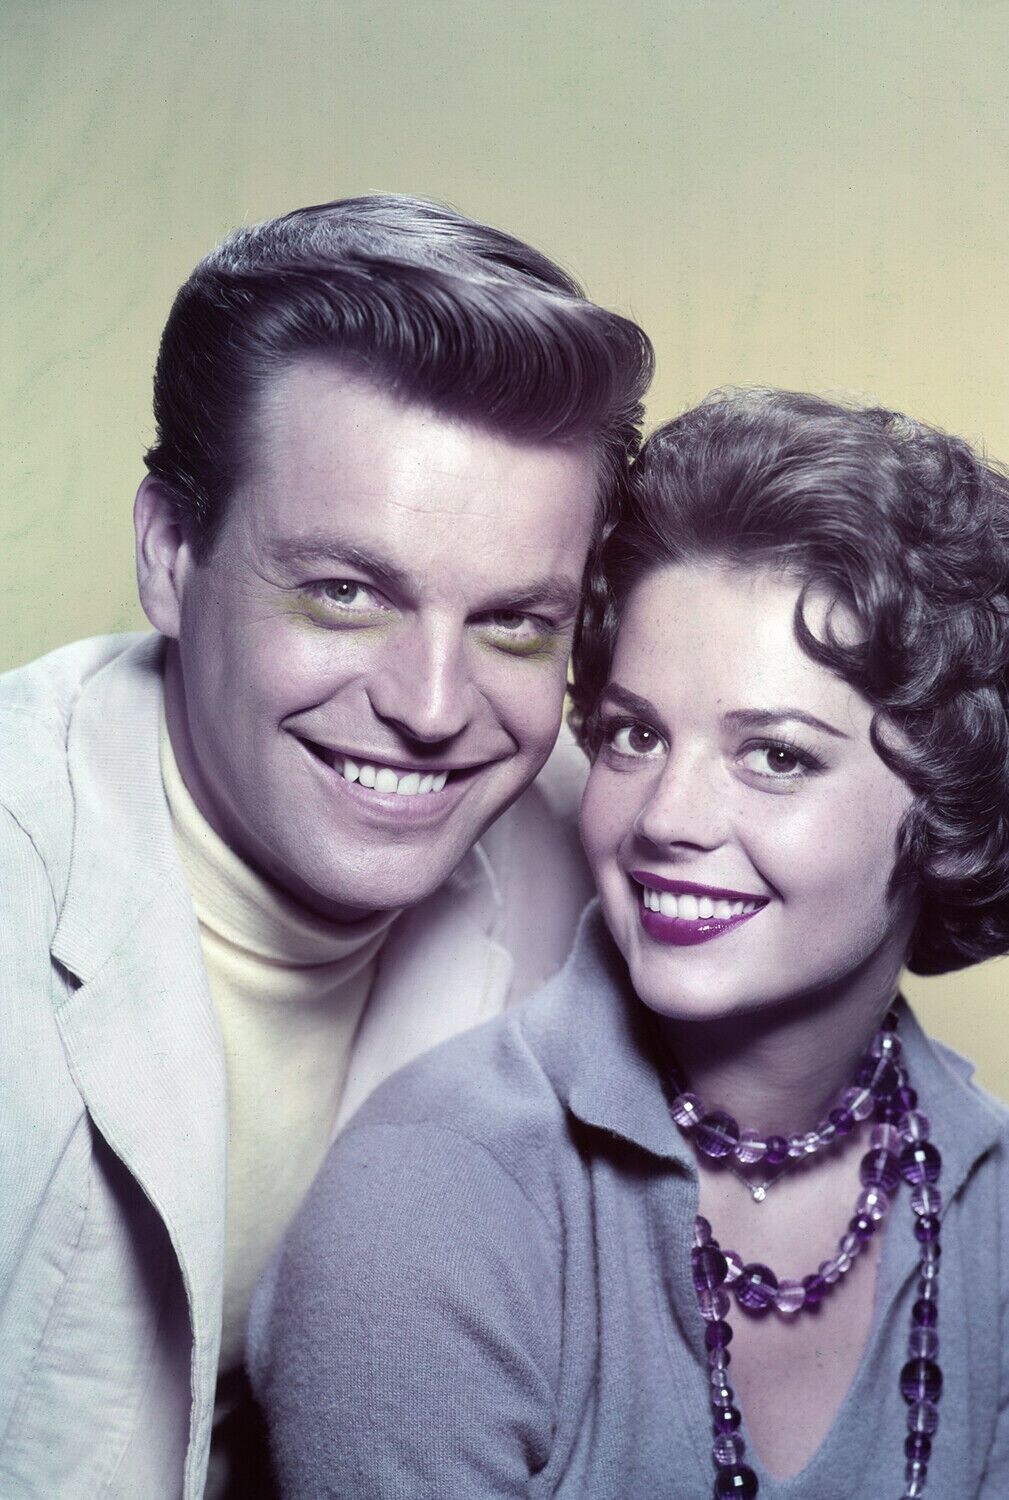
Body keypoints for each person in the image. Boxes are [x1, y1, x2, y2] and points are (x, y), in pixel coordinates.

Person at [251, 389, 1009, 1499]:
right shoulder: (433, 1196)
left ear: (953, 809)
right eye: (634, 735)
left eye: (776, 756)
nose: (665, 818)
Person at [0, 194, 652, 1498]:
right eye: (345, 594)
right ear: (170, 553)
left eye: (516, 625)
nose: (431, 706)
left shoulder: (619, 853)